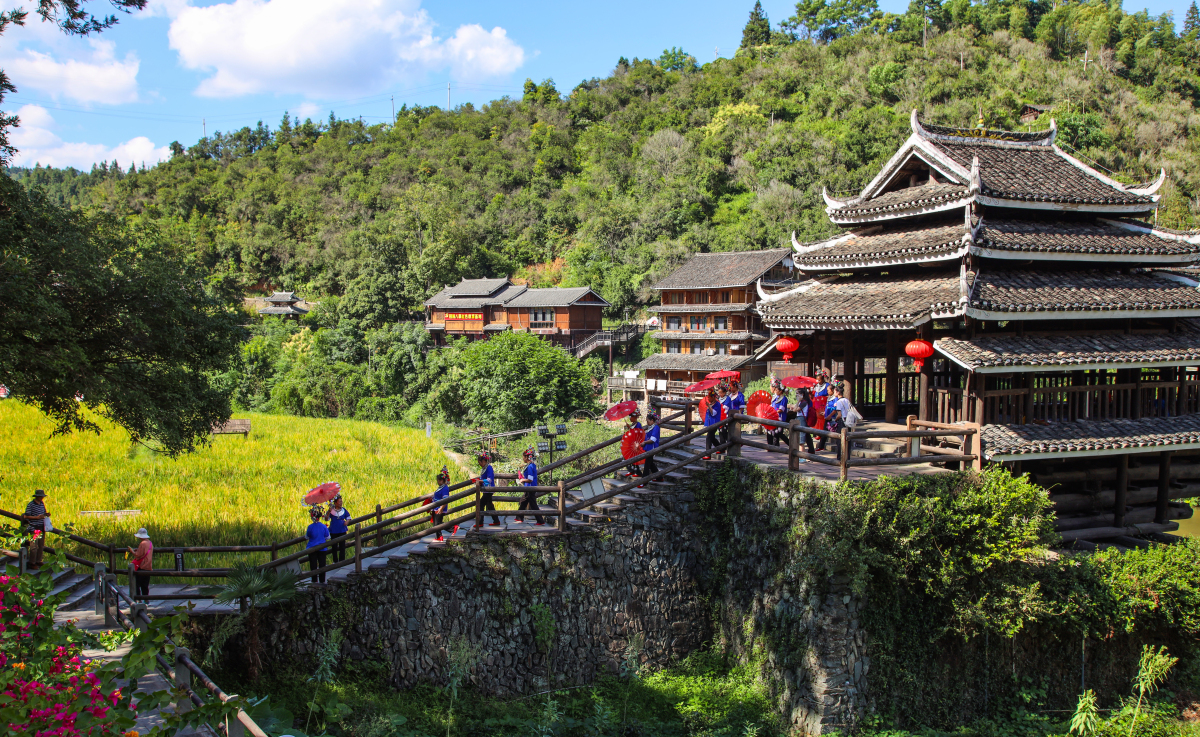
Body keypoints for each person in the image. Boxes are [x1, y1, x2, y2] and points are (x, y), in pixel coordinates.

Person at [515, 448, 544, 526]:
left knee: (533, 504)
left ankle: (540, 520)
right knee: (523, 501)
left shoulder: (530, 466)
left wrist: (522, 480)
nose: (523, 459)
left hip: (530, 487)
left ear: (527, 457)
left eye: (523, 457)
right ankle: (519, 517)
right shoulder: (531, 465)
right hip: (528, 487)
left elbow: (530, 479)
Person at [22, 489, 48, 570]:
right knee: (34, 546)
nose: (42, 498)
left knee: (41, 545)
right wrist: (36, 517)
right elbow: (25, 516)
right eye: (41, 496)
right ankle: (32, 562)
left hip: (41, 526)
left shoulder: (41, 504)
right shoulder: (31, 505)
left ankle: (38, 560)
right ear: (37, 496)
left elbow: (44, 513)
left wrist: (46, 515)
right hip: (34, 527)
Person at [305, 507, 330, 583]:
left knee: (313, 565)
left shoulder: (310, 527)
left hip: (312, 548)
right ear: (319, 517)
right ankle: (322, 581)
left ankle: (314, 580)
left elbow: (307, 537)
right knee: (322, 565)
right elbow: (328, 537)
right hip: (322, 548)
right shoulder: (323, 526)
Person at [476, 453, 501, 527]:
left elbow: (490, 479)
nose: (479, 464)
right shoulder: (484, 468)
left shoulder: (489, 468)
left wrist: (481, 481)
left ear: (483, 461)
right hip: (486, 489)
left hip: (489, 489)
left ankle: (480, 522)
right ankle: (496, 520)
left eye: (480, 462)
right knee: (490, 505)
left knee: (481, 504)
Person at [127, 528, 153, 599]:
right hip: (148, 567)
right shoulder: (150, 543)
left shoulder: (142, 543)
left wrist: (132, 551)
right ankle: (146, 599)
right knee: (145, 585)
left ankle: (138, 599)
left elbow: (138, 555)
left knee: (137, 584)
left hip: (142, 566)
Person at [325, 494, 351, 563]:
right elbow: (326, 519)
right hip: (333, 531)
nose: (340, 503)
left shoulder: (344, 510)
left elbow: (348, 517)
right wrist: (328, 512)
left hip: (342, 530)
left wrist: (347, 522)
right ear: (335, 503)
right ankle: (335, 561)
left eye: (341, 502)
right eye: (339, 502)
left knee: (342, 546)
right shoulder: (331, 511)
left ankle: (342, 561)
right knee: (334, 547)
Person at [639, 412, 661, 486]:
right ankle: (659, 477)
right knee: (650, 463)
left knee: (647, 464)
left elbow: (653, 439)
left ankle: (644, 481)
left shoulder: (655, 428)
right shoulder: (650, 427)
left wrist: (645, 442)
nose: (647, 422)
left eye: (648, 420)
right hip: (648, 447)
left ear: (652, 420)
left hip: (652, 447)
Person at [793, 387, 816, 457]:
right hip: (800, 419)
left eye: (797, 394)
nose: (796, 395)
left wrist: (797, 402)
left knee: (801, 439)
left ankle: (802, 456)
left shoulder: (804, 402)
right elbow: (795, 409)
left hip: (802, 419)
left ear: (802, 394)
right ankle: (810, 450)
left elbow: (795, 410)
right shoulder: (801, 402)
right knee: (805, 436)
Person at [811, 370, 831, 451]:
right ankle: (818, 432)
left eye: (819, 380)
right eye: (817, 379)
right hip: (817, 404)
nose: (818, 381)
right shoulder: (816, 386)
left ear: (823, 379)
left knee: (822, 420)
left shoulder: (827, 385)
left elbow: (829, 395)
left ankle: (821, 433)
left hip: (824, 404)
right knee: (817, 419)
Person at [766, 379, 789, 448]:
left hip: (780, 417)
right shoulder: (775, 397)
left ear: (781, 391)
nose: (775, 391)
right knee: (770, 431)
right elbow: (772, 405)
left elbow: (781, 409)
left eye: (776, 390)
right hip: (773, 417)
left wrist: (774, 412)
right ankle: (772, 446)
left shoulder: (784, 398)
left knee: (779, 433)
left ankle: (790, 444)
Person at [432, 468, 451, 540]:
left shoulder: (445, 488)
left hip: (440, 508)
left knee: (438, 523)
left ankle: (452, 527)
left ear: (442, 481)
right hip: (437, 507)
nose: (437, 482)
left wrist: (441, 508)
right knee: (436, 522)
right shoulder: (441, 487)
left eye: (438, 480)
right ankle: (439, 536)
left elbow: (445, 499)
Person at [703, 387, 721, 459]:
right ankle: (720, 448)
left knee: (708, 438)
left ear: (713, 397)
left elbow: (714, 413)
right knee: (712, 438)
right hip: (710, 422)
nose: (708, 398)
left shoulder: (717, 404)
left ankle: (708, 454)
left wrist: (709, 407)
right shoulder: (711, 403)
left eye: (709, 397)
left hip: (714, 423)